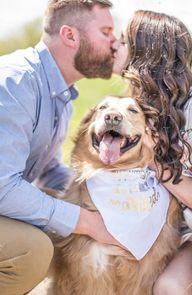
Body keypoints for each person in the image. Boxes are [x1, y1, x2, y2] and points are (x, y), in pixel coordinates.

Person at [0, 0, 121, 294]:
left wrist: (104, 197)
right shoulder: (17, 83)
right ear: (70, 36)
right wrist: (88, 222)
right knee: (34, 250)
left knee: (62, 223)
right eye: (106, 32)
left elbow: (49, 170)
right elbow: (2, 186)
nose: (115, 42)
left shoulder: (59, 92)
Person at [113, 10, 192, 295]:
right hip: (191, 232)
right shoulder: (146, 107)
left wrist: (160, 170)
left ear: (144, 51)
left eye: (123, 41)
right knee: (169, 287)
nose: (114, 47)